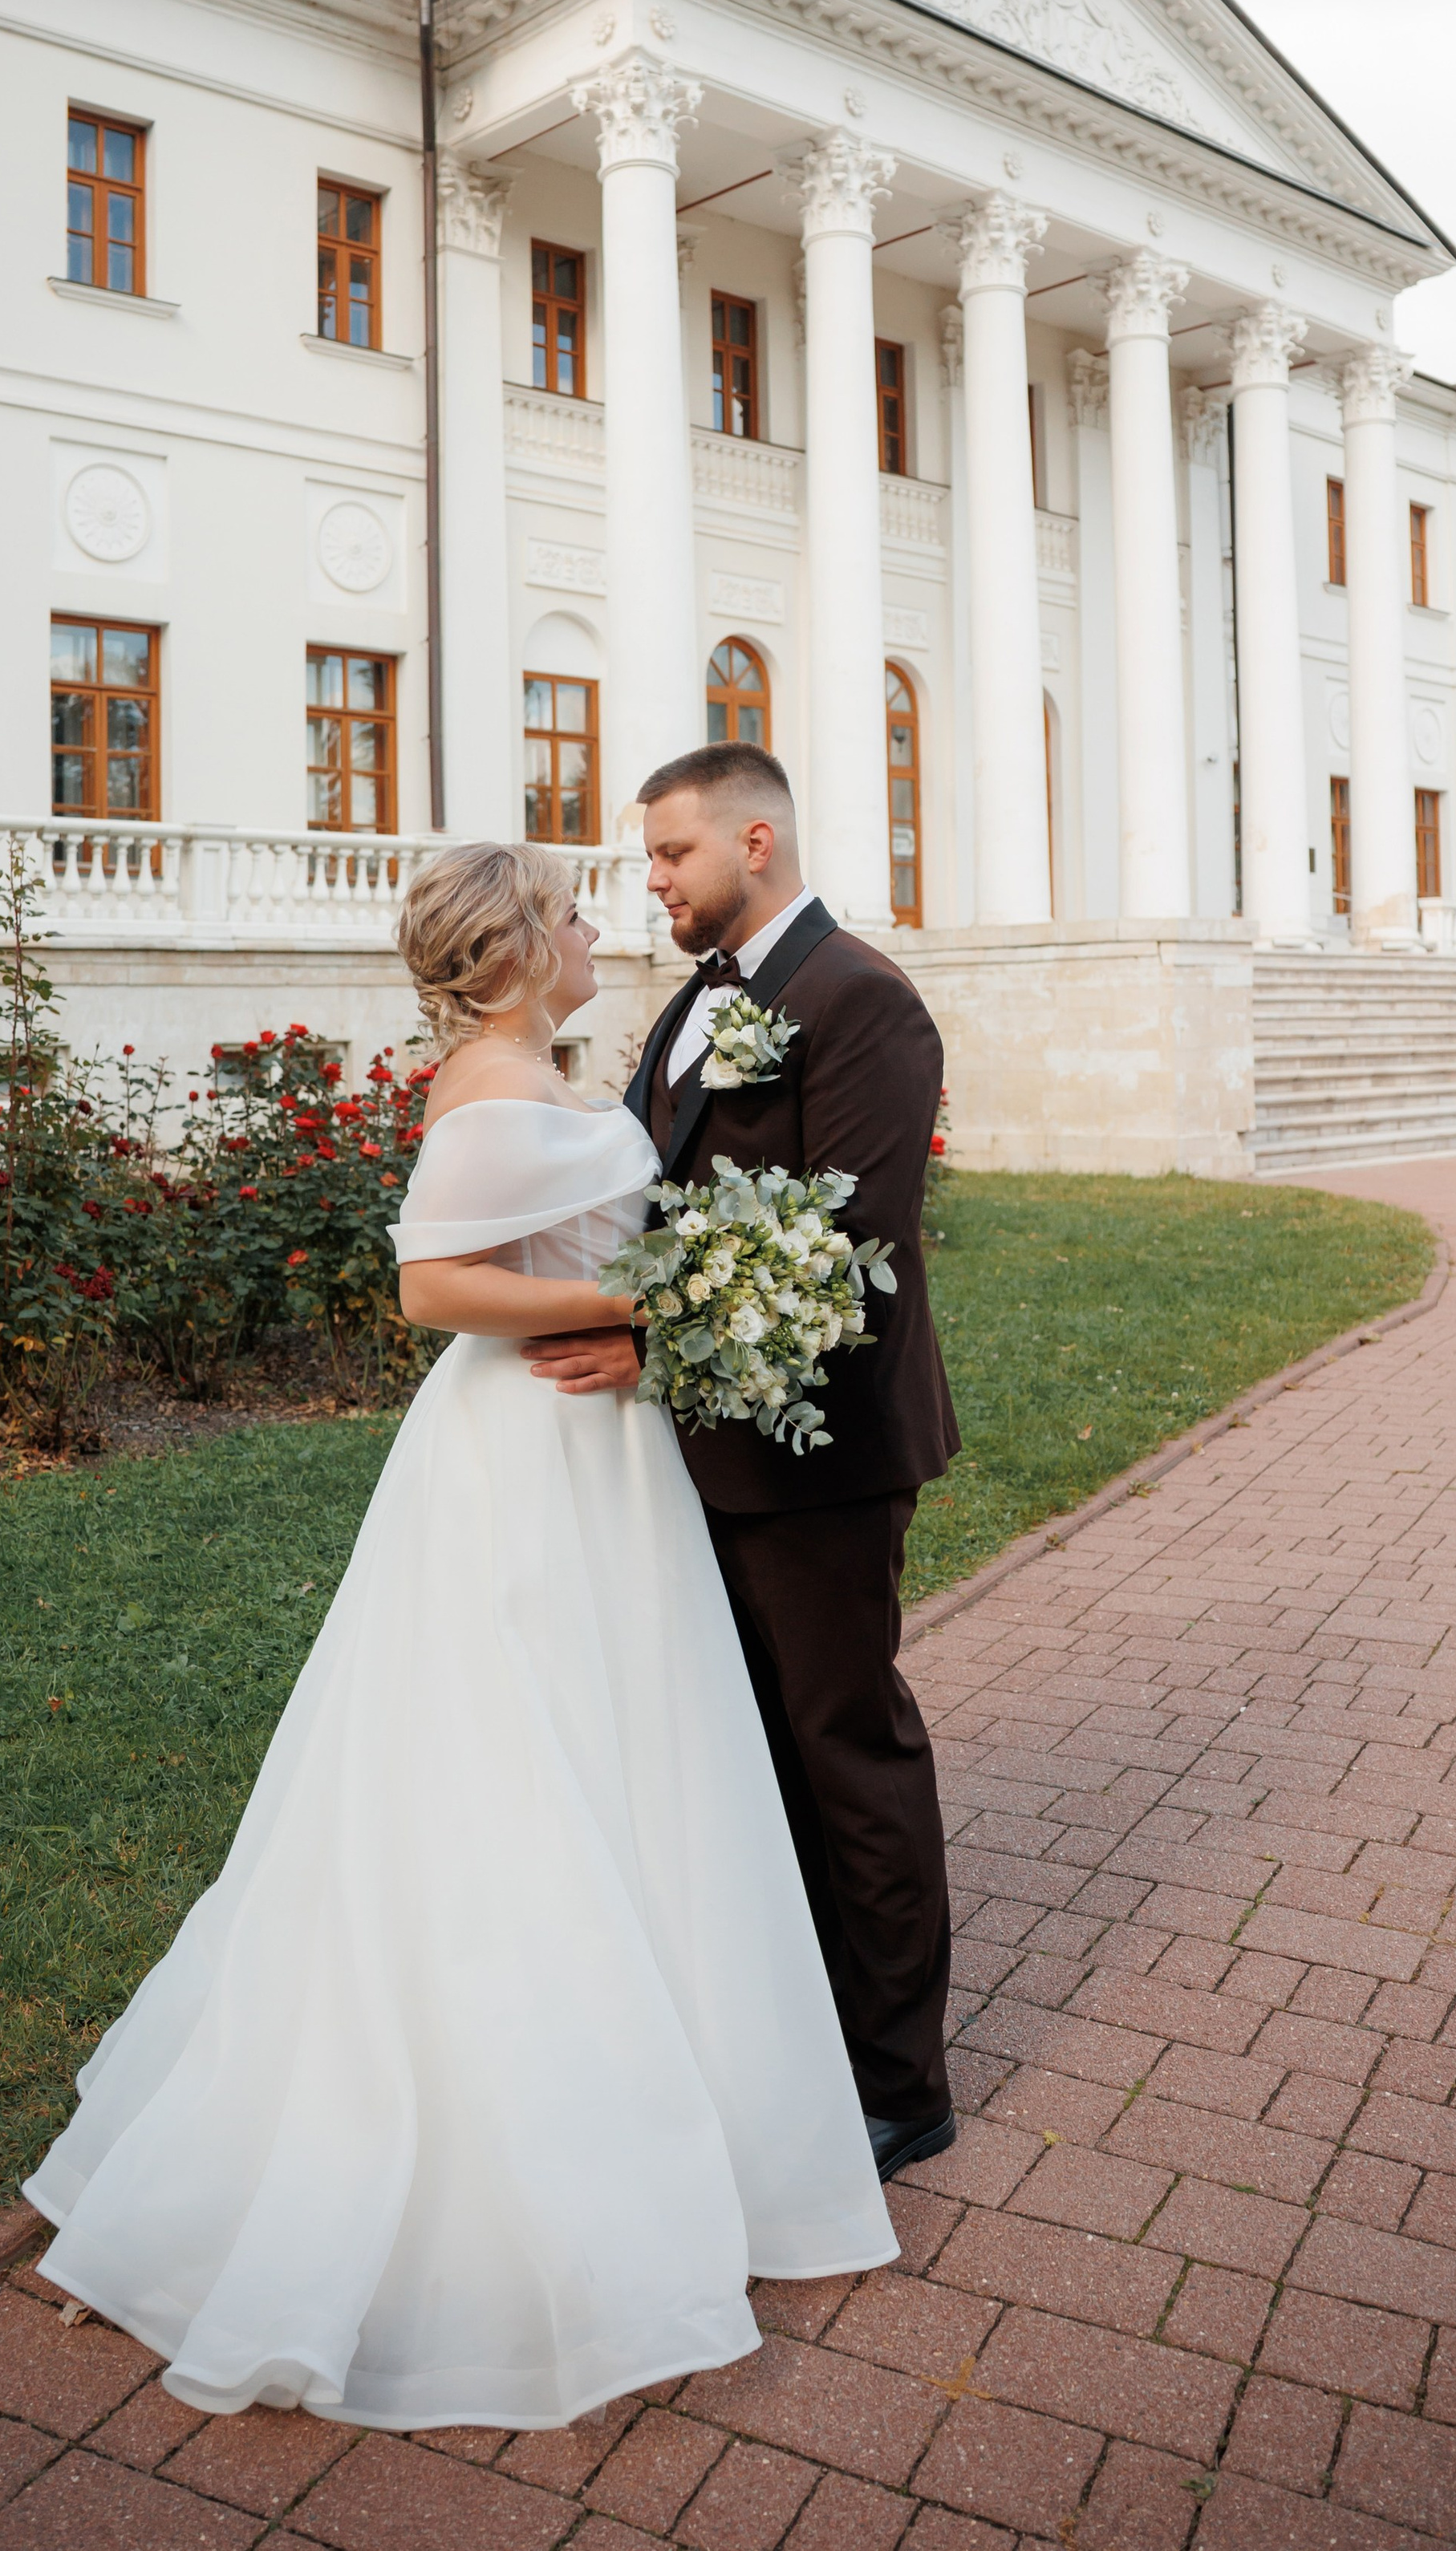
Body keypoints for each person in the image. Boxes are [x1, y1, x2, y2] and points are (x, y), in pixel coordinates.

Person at [22, 839, 895, 2429]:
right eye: (565, 913)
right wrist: (630, 1314)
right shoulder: (489, 1088)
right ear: (504, 949)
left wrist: (673, 1301)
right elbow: (430, 1283)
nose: (589, 928)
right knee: (523, 1760)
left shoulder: (536, 1067)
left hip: (595, 1454)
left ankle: (678, 2096)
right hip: (527, 1458)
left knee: (621, 1750)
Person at [525, 744, 960, 2176]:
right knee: (755, 1751)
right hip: (705, 1458)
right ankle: (800, 2035)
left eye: (670, 856)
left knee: (848, 1747)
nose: (648, 882)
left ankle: (900, 2078)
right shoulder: (698, 1002)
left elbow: (847, 1263)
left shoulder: (862, 1005)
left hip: (822, 1452)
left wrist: (657, 1354)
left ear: (756, 841)